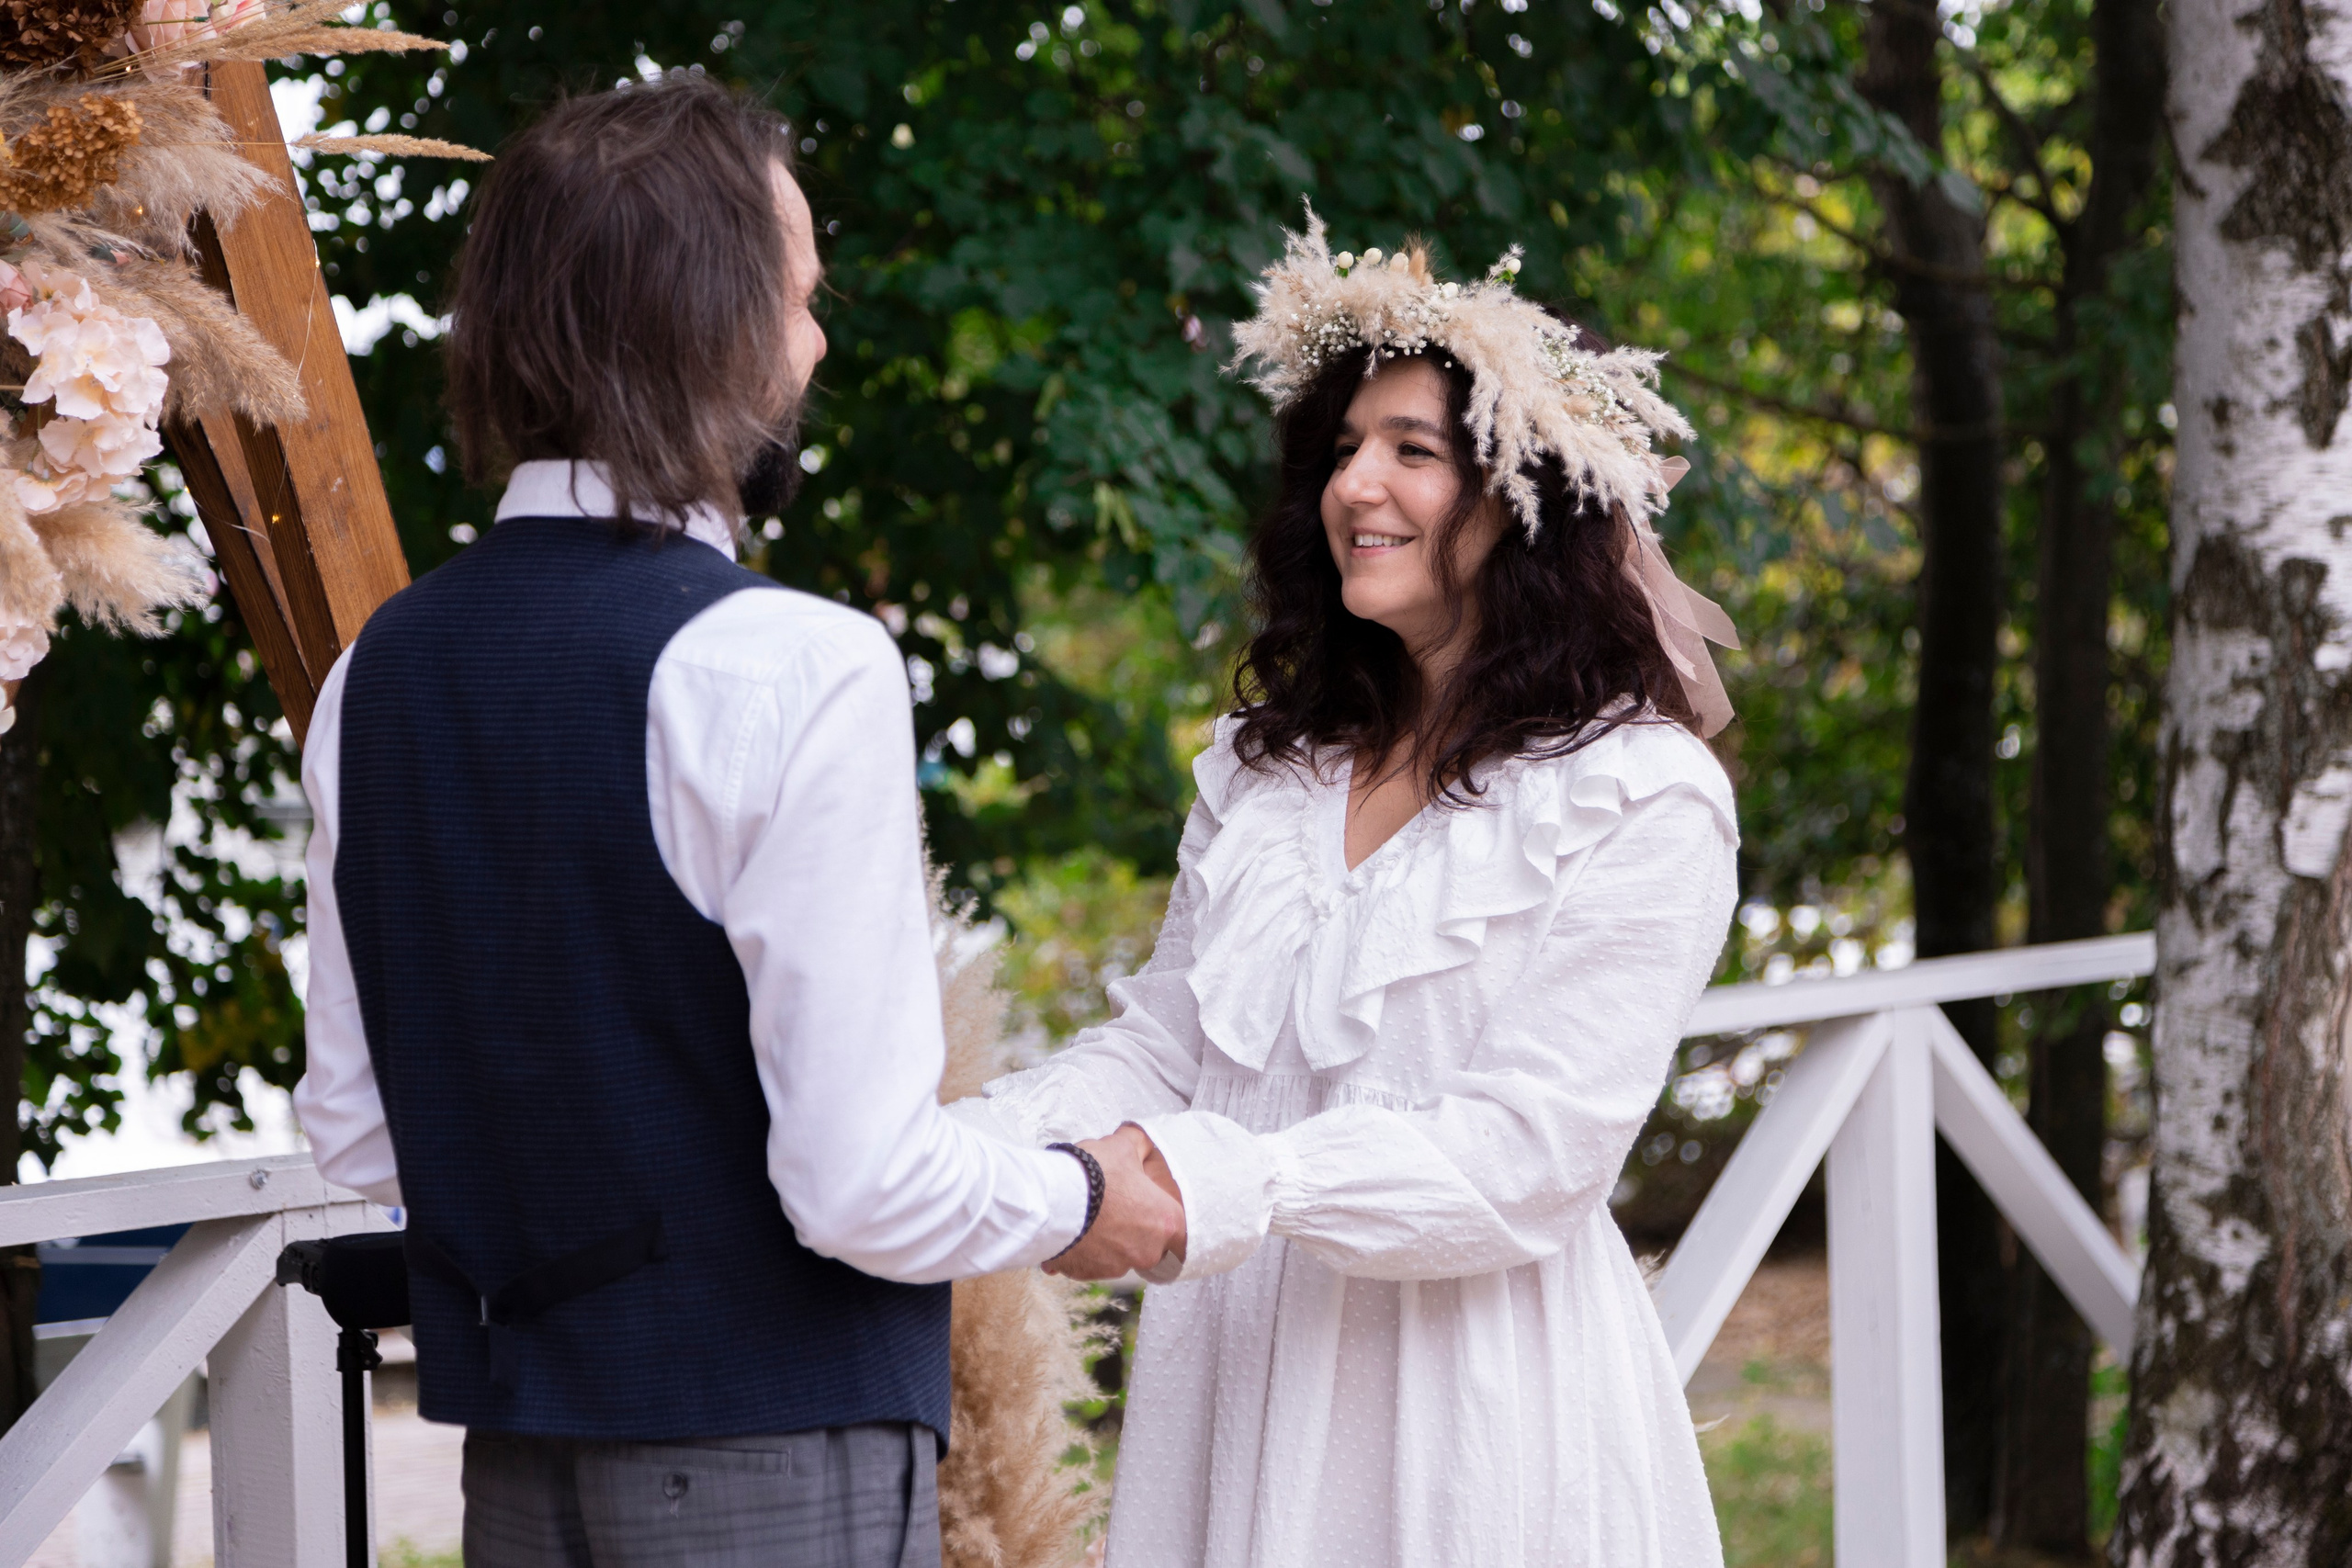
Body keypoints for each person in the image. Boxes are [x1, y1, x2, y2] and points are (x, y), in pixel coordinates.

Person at [289, 76, 1182, 1568]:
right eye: (798, 296)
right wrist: (1075, 1194)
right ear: (705, 320)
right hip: (774, 1452)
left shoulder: (373, 672)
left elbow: (355, 1126)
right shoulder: (792, 664)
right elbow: (864, 1188)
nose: (817, 343)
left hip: (517, 1461)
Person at [950, 215, 1742, 1567]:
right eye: (1342, 449)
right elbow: (1169, 1041)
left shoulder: (1641, 798)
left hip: (1468, 1412)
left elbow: (1530, 1158)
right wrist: (979, 1143)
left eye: (1414, 451)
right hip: (1240, 1372)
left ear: (1527, 492)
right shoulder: (1272, 777)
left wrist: (1223, 1181)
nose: (1355, 485)